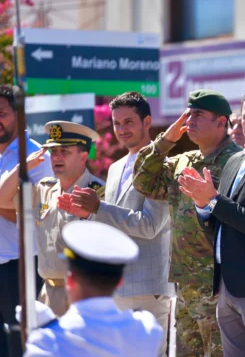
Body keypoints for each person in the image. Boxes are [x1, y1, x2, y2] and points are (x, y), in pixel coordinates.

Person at [58, 92, 174, 357]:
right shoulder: (115, 168)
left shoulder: (163, 166)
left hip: (148, 286)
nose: (122, 129)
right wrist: (87, 214)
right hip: (115, 284)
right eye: (116, 123)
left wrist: (98, 207)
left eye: (128, 122)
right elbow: (112, 222)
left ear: (147, 122)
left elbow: (150, 226)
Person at [133, 90, 242, 357]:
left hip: (218, 284)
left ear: (221, 122)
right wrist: (166, 140)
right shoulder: (184, 161)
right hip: (184, 283)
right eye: (189, 114)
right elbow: (143, 181)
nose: (190, 120)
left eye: (199, 115)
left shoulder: (238, 161)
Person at [181, 86, 245, 357]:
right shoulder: (235, 160)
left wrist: (213, 200)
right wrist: (203, 205)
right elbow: (220, 221)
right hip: (227, 285)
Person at [0, 121, 104, 317]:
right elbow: (2, 197)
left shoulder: (97, 193)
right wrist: (23, 166)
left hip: (83, 294)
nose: (56, 157)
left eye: (64, 151)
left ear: (83, 156)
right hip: (47, 293)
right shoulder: (44, 189)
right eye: (53, 151)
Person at [24, 220, 163, 357]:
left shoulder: (47, 341)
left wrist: (47, 327)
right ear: (120, 282)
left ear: (70, 280)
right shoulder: (147, 330)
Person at [0, 85, 52, 357]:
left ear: (19, 116)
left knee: (20, 345)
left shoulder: (36, 156)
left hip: (21, 264)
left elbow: (30, 213)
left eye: (2, 113)